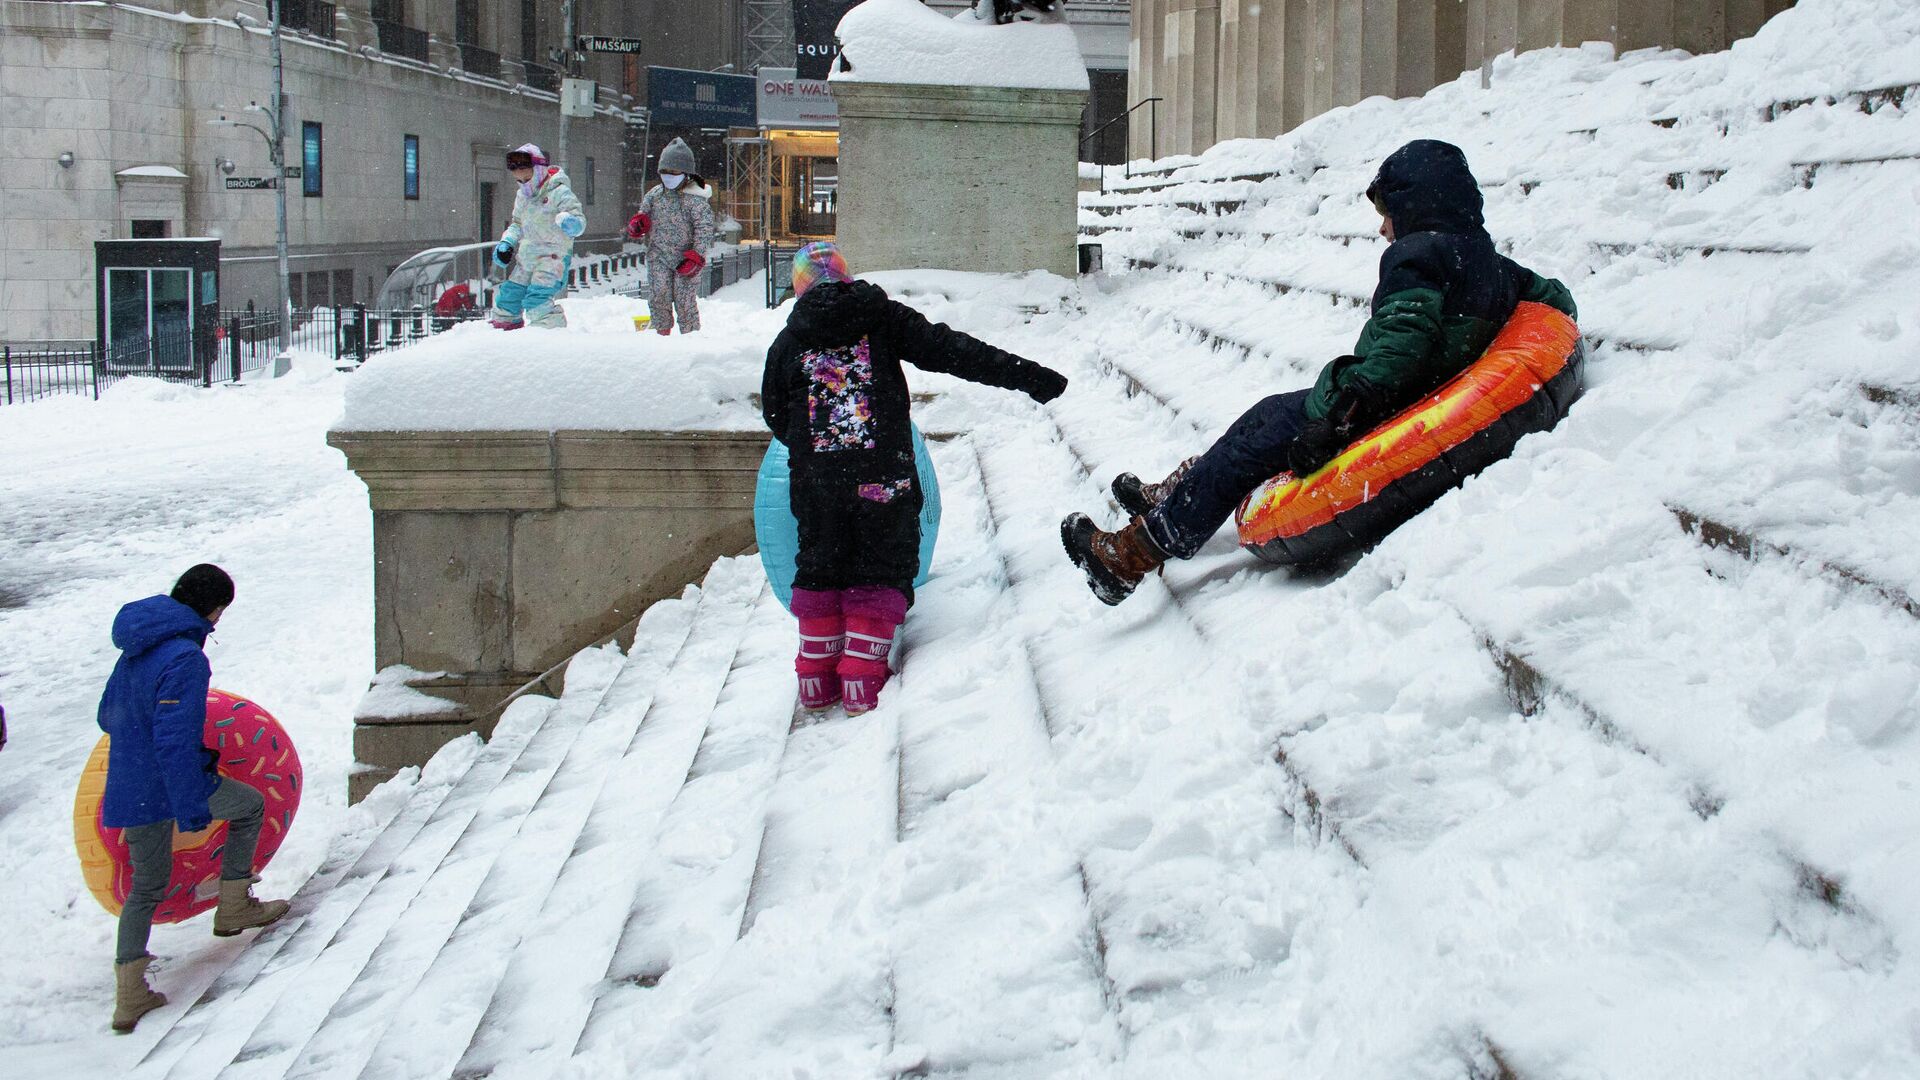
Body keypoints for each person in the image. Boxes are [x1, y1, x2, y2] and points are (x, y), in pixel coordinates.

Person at [1063, 139, 1578, 605]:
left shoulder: (1417, 256)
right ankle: (1174, 493)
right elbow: (1555, 297)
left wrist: (1339, 420)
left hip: (1366, 407)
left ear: (1416, 205)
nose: (1382, 227)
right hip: (1389, 397)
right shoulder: (1489, 261)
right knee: (1259, 424)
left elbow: (1401, 348)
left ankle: (1127, 557)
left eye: (1387, 212)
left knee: (1249, 443)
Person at [763, 243, 1068, 712]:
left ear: (800, 287)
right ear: (846, 277)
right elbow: (955, 352)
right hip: (883, 476)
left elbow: (775, 411)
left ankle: (815, 682)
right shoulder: (881, 316)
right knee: (879, 564)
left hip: (818, 482)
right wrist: (1030, 376)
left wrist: (814, 449)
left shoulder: (789, 339)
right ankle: (862, 682)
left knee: (820, 563)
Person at [98, 564, 289, 1033]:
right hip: (169, 783)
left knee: (146, 884)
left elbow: (108, 715)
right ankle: (234, 905)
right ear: (214, 608)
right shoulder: (185, 656)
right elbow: (174, 737)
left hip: (131, 784)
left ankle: (129, 995)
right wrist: (190, 802)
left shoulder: (139, 644)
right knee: (249, 807)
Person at [488, 143, 585, 330]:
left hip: (553, 257)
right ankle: (505, 330)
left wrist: (572, 224)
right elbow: (517, 223)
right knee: (509, 296)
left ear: (539, 169)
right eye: (520, 180)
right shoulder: (522, 196)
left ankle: (547, 336)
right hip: (527, 256)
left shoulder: (559, 192)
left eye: (527, 177)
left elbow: (578, 220)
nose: (524, 183)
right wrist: (507, 242)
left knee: (537, 299)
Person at [627, 138, 716, 336]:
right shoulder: (655, 194)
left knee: (684, 300)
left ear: (686, 173)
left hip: (686, 259)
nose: (668, 177)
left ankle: (690, 337)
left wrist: (696, 255)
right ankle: (662, 334)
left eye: (674, 172)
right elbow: (642, 216)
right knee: (659, 296)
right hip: (658, 255)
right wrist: (637, 225)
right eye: (664, 172)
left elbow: (704, 228)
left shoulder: (696, 199)